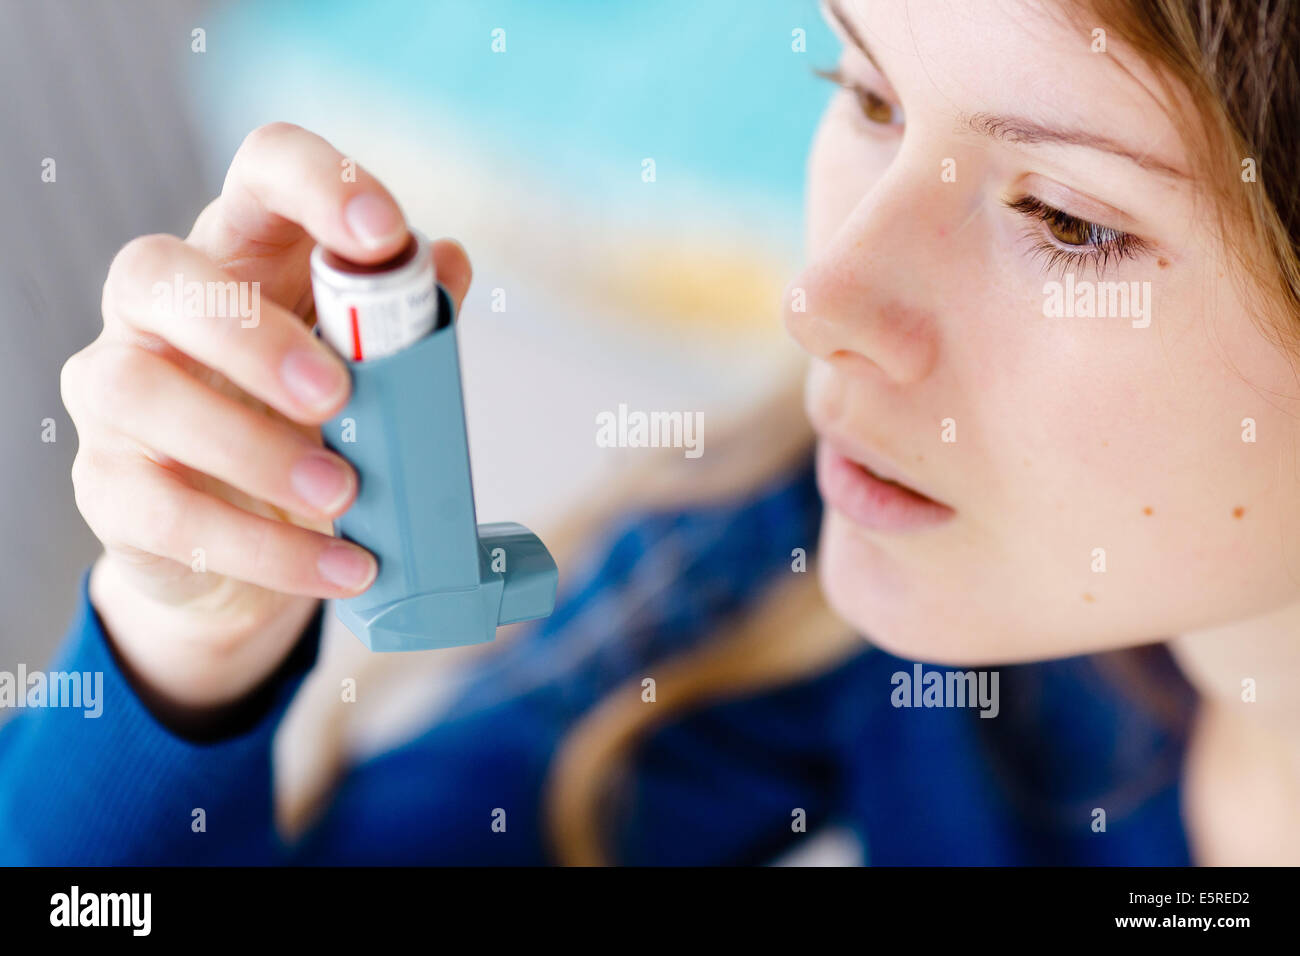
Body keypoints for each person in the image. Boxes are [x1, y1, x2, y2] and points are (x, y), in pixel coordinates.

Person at [2, 0, 1298, 865]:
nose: (818, 302)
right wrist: (186, 652)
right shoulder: (800, 574)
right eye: (867, 98)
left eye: (1068, 220)